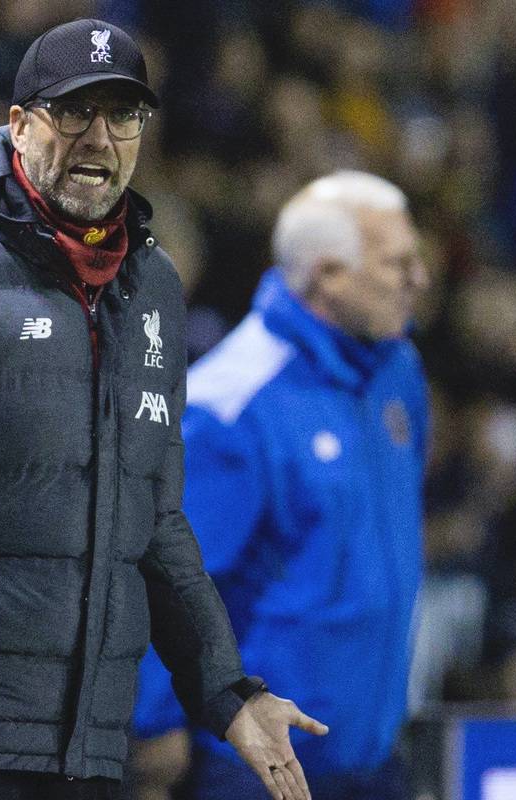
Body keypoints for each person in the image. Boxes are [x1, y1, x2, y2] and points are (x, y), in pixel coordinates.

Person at [0, 18, 328, 800]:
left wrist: (226, 694)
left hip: (86, 749)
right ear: (19, 125)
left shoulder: (150, 287)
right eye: (73, 111)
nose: (99, 138)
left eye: (122, 116)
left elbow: (153, 521)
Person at [130, 171, 430, 800]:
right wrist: (151, 726)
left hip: (374, 759)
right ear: (327, 275)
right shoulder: (233, 407)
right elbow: (168, 574)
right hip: (258, 772)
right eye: (397, 264)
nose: (418, 280)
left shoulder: (398, 371)